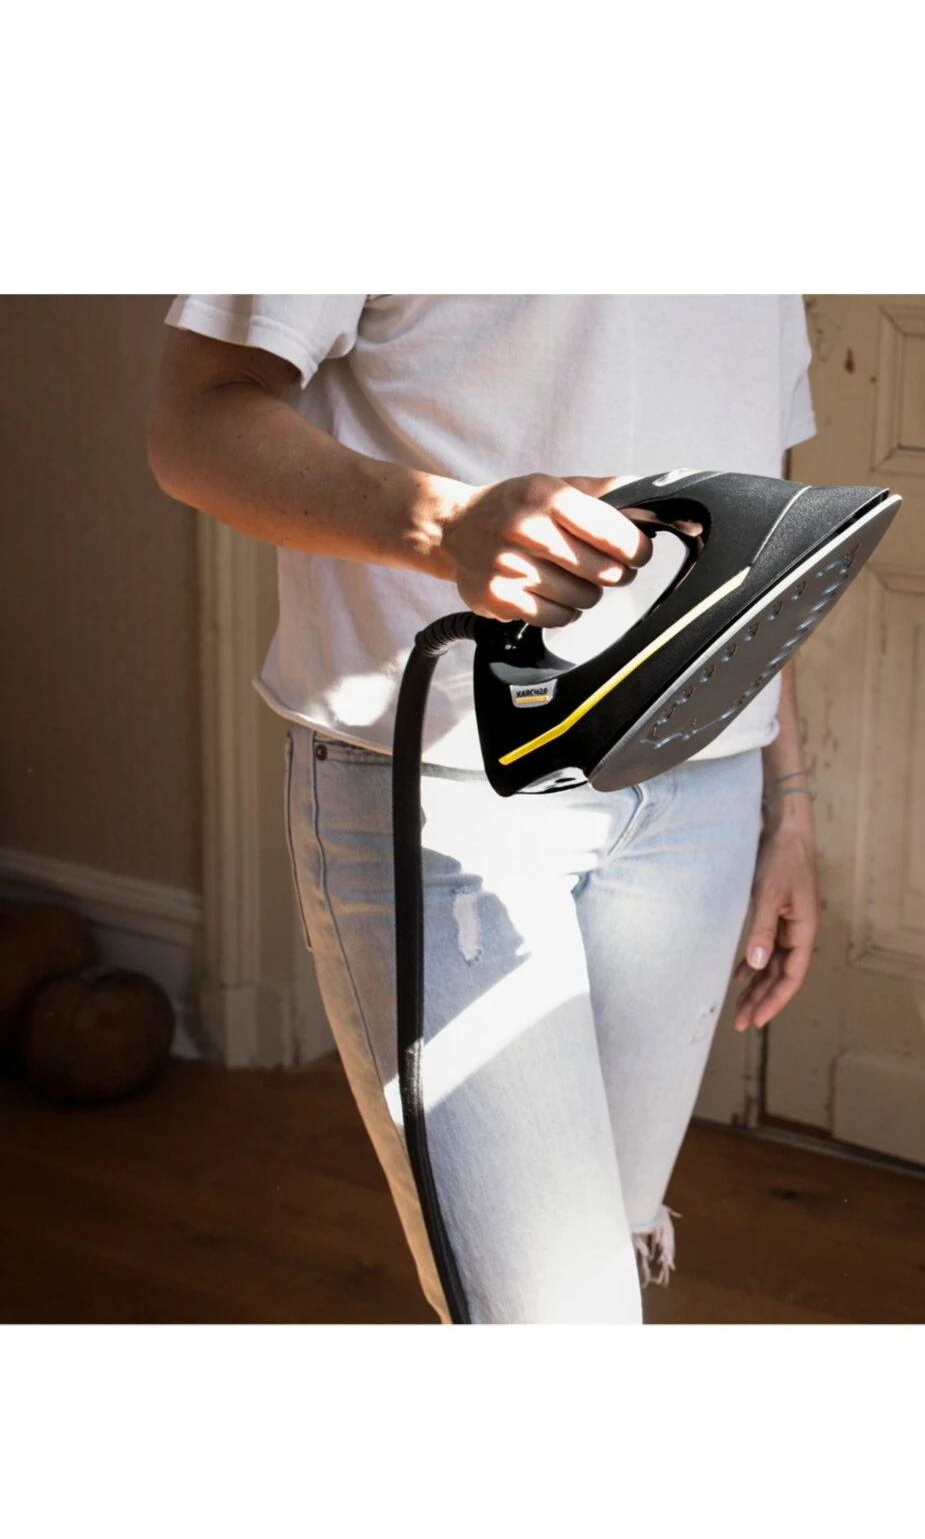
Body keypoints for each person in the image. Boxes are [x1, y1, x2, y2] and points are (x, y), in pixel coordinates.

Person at [148, 296, 822, 1323]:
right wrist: (444, 526)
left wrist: (790, 798)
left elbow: (762, 522)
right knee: (549, 1315)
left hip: (705, 789)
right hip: (444, 786)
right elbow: (195, 423)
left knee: (615, 1240)